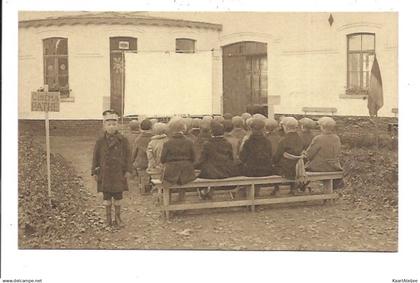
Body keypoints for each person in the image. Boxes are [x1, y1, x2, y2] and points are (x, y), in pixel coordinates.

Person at [91, 110, 132, 227]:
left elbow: (129, 155)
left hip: (119, 173)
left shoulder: (123, 140)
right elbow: (95, 156)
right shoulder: (100, 141)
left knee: (118, 196)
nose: (111, 127)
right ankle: (108, 219)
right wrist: (94, 171)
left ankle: (118, 218)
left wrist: (128, 170)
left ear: (117, 125)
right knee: (107, 197)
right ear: (104, 125)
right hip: (105, 173)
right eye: (109, 124)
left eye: (114, 124)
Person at [160, 118, 196, 200]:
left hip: (171, 171)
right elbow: (193, 158)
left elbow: (162, 159)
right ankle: (181, 200)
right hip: (187, 171)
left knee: (166, 182)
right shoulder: (189, 142)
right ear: (184, 128)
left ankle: (168, 202)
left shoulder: (167, 143)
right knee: (183, 182)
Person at [305, 117, 344, 189]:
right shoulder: (336, 138)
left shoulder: (318, 138)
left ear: (322, 127)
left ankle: (300, 188)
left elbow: (309, 155)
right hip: (334, 167)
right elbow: (338, 152)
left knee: (301, 169)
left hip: (320, 167)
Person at [273, 117, 305, 194]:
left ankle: (276, 189)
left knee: (274, 166)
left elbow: (277, 156)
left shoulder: (283, 140)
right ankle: (293, 188)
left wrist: (273, 162)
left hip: (286, 169)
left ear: (286, 127)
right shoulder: (300, 139)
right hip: (298, 167)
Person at [132, 119, 154, 194]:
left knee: (142, 175)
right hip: (151, 162)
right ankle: (151, 187)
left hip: (141, 162)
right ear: (151, 127)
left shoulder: (138, 139)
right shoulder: (153, 138)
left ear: (141, 128)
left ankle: (143, 188)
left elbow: (134, 152)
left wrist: (132, 161)